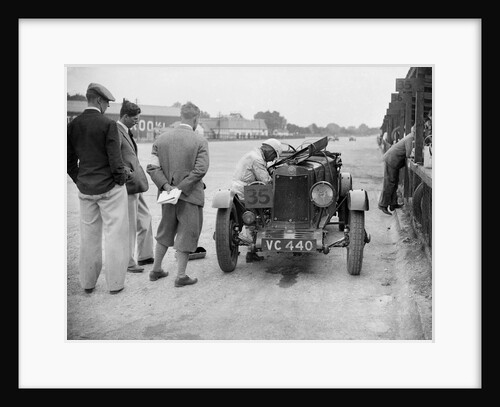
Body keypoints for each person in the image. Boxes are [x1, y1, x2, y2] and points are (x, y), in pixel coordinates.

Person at [67, 83, 130, 295]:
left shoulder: (74, 124)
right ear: (99, 101)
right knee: (115, 236)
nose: (108, 107)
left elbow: (68, 160)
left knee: (88, 238)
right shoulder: (108, 124)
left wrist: (80, 180)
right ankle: (115, 284)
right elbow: (115, 159)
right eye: (107, 103)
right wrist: (120, 179)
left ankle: (87, 283)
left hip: (86, 189)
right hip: (110, 189)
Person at [146, 101, 209, 287]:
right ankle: (181, 276)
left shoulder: (161, 139)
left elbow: (152, 167)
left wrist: (167, 187)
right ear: (196, 119)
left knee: (165, 229)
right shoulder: (200, 141)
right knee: (186, 233)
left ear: (180, 116)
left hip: (167, 195)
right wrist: (181, 188)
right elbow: (200, 170)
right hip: (190, 196)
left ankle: (156, 269)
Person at [116, 99, 154, 273]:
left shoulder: (126, 131)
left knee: (146, 217)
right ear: (124, 116)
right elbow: (114, 156)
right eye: (135, 118)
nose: (137, 121)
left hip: (136, 185)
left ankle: (145, 255)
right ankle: (129, 262)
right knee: (130, 224)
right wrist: (127, 173)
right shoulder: (116, 131)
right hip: (128, 185)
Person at [230, 138, 283, 262]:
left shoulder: (254, 155)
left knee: (253, 221)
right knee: (254, 221)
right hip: (245, 191)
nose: (273, 159)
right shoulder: (257, 159)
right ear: (269, 150)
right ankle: (251, 251)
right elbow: (266, 181)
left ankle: (251, 249)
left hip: (240, 189)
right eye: (274, 155)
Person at [378, 125, 415, 215]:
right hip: (391, 160)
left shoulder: (410, 137)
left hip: (394, 161)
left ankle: (393, 203)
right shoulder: (410, 138)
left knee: (394, 183)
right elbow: (408, 154)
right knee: (389, 183)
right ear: (415, 132)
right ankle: (383, 205)